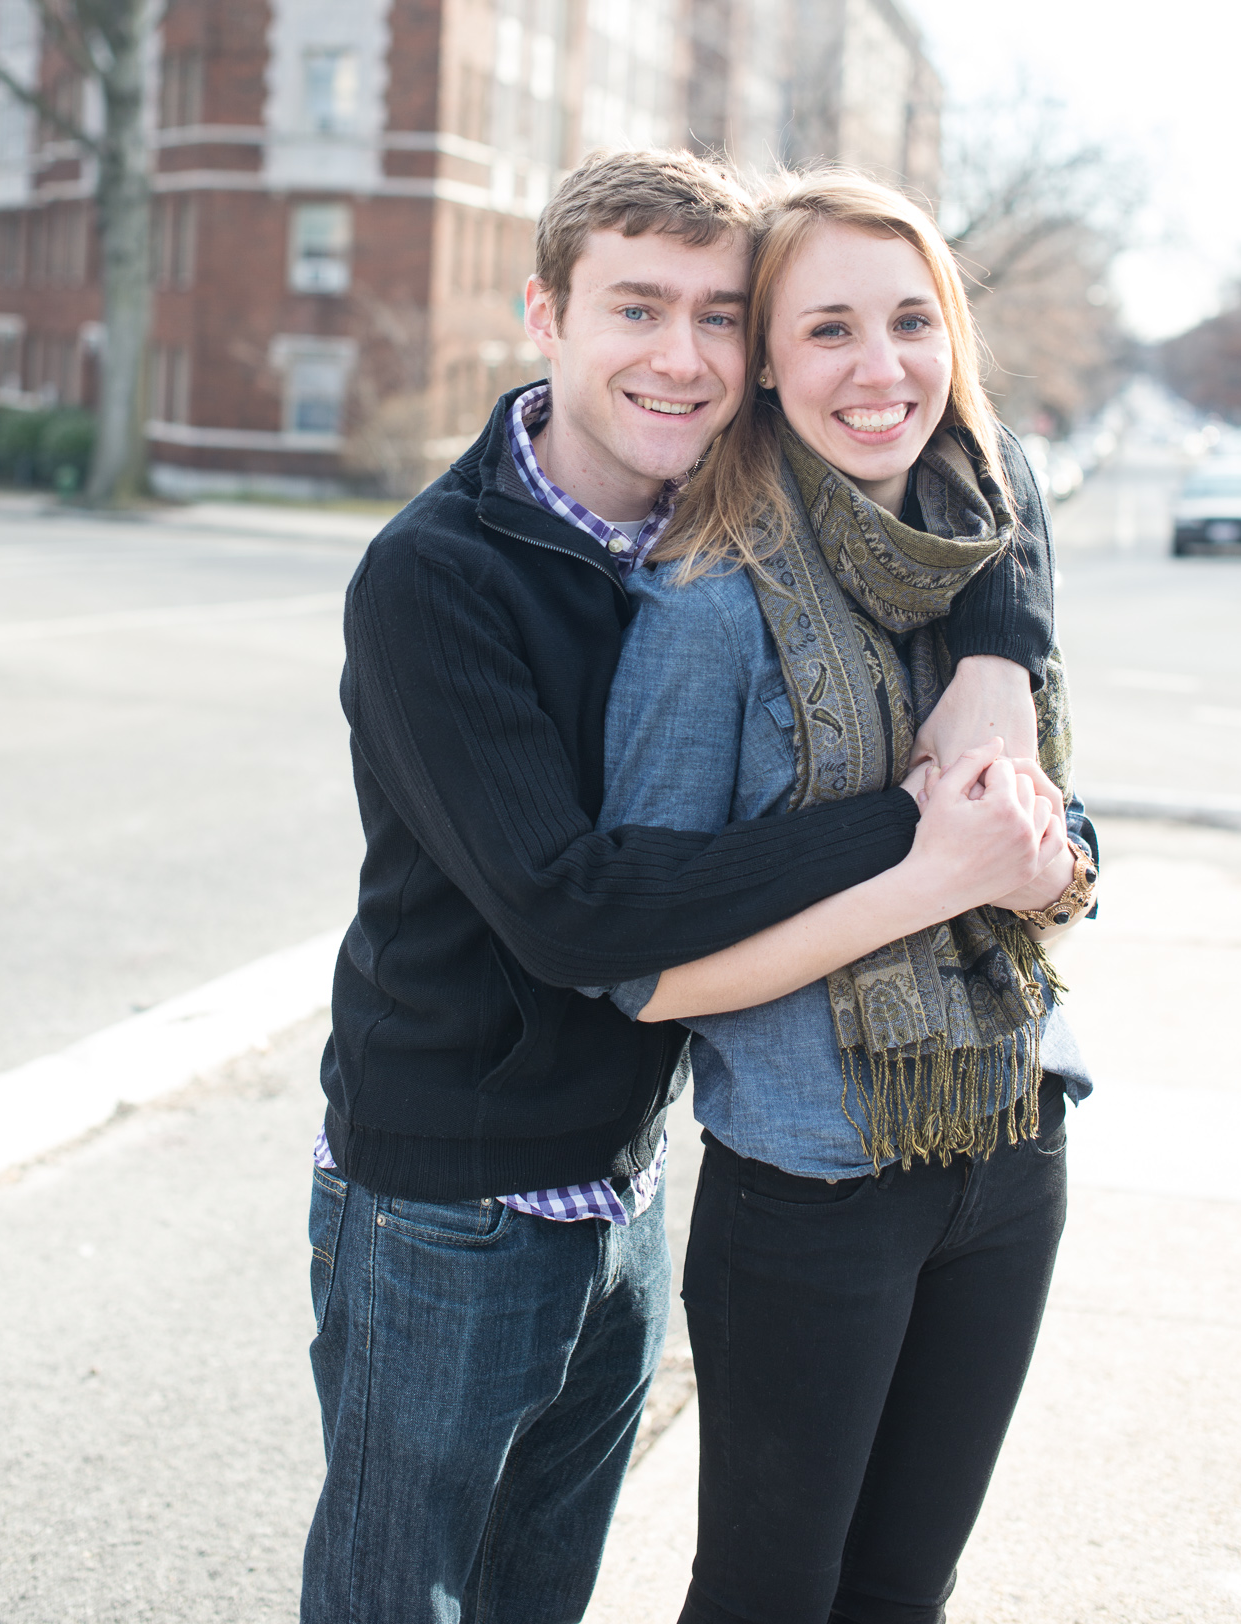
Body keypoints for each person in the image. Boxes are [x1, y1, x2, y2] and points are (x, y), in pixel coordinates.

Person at [300, 150, 1064, 1624]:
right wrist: (924, 834)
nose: (683, 355)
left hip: (625, 1167)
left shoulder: (731, 523)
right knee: (407, 1601)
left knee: (541, 1593)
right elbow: (575, 910)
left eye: (720, 317)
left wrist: (998, 647)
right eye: (637, 309)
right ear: (545, 315)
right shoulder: (439, 575)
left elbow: (981, 469)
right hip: (453, 1188)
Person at [591, 168, 1099, 1624]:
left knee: (903, 1594)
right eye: (828, 331)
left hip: (1012, 1138)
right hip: (813, 1188)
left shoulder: (984, 559)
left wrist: (1050, 864)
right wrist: (933, 873)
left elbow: (1062, 854)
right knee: (770, 1597)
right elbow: (647, 971)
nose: (881, 373)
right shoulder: (704, 607)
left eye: (910, 322)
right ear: (762, 361)